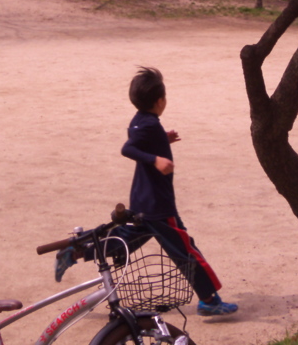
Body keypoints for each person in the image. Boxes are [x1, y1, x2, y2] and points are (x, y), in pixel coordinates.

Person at [57, 67, 238, 317]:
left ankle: (78, 250)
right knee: (186, 250)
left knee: (126, 239)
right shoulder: (148, 125)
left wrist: (163, 139)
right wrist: (155, 158)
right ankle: (208, 300)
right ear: (160, 101)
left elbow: (138, 138)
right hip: (159, 205)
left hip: (143, 202)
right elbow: (128, 149)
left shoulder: (140, 121)